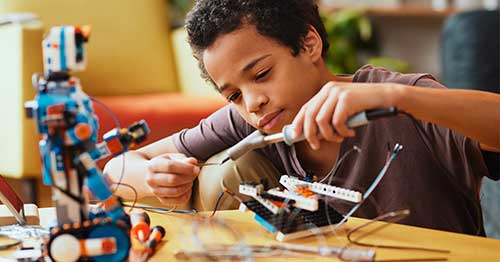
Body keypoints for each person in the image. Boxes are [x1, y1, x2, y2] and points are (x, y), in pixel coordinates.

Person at [104, 0, 500, 236]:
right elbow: (118, 167)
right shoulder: (254, 121)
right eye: (233, 95)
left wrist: (398, 96)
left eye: (261, 75)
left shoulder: (398, 100)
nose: (252, 103)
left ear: (309, 43)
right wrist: (154, 175)